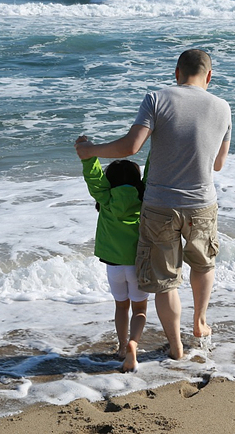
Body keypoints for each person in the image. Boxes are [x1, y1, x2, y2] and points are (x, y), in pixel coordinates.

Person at [75, 49, 231, 360]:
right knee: (202, 264)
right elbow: (218, 164)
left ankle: (176, 346)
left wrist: (90, 151)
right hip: (202, 202)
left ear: (177, 73)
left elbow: (131, 146)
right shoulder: (223, 108)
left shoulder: (157, 98)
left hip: (160, 204)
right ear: (209, 77)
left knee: (164, 280)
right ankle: (200, 323)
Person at [77, 144, 148, 372]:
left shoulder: (105, 197)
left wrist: (88, 156)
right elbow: (155, 171)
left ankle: (120, 346)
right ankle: (133, 343)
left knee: (121, 307)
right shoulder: (144, 194)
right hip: (138, 263)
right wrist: (158, 147)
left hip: (114, 265)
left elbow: (94, 177)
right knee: (140, 310)